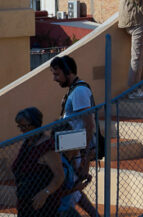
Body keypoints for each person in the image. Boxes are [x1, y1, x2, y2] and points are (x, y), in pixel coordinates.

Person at [49, 56, 100, 217]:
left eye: (57, 74)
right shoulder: (75, 90)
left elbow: (88, 125)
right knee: (74, 190)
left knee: (71, 188)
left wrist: (85, 160)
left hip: (76, 150)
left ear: (67, 72)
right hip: (72, 148)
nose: (55, 79)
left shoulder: (79, 91)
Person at [11, 107, 64, 217]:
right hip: (26, 203)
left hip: (42, 206)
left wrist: (45, 193)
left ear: (35, 124)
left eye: (25, 126)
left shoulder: (47, 147)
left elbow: (59, 176)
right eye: (20, 126)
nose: (22, 130)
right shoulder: (27, 143)